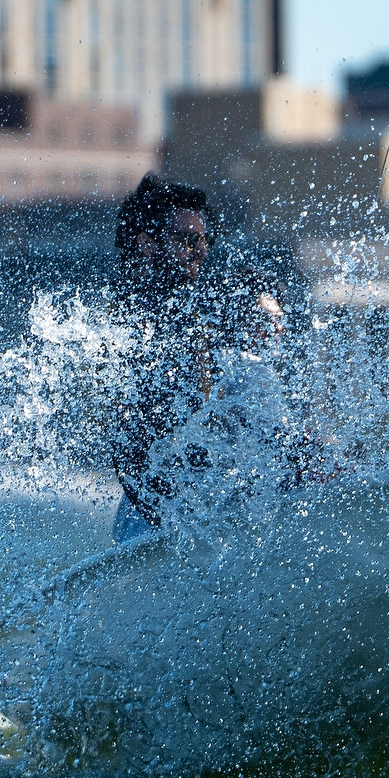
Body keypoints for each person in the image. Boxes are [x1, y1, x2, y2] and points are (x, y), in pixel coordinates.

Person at [107, 173, 278, 540]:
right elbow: (128, 444)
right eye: (187, 240)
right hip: (151, 516)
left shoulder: (189, 314)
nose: (201, 251)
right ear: (148, 245)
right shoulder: (136, 325)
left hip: (186, 506)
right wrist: (168, 520)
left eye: (204, 239)